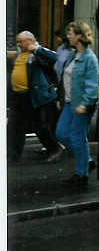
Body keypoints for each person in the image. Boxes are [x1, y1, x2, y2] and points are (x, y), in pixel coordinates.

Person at [55, 21, 99, 188]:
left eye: (71, 33)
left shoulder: (90, 59)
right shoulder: (73, 55)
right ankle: (86, 160)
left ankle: (82, 174)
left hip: (81, 105)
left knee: (77, 137)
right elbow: (64, 79)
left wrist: (86, 104)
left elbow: (92, 84)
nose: (68, 36)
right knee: (61, 133)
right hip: (68, 102)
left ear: (80, 36)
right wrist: (60, 98)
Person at [7, 31, 62, 162]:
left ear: (29, 41)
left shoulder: (37, 52)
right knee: (14, 126)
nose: (18, 44)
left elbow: (55, 58)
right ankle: (13, 155)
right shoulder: (19, 54)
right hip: (18, 95)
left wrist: (36, 49)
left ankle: (54, 148)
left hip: (33, 95)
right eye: (18, 41)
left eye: (21, 41)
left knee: (39, 126)